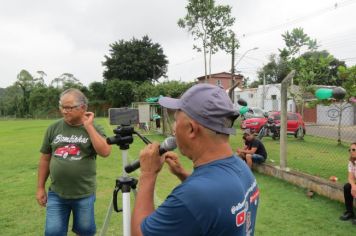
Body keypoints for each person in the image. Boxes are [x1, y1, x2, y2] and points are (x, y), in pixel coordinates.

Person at [131, 84, 259, 236]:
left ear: (191, 129)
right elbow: (217, 202)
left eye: (176, 120)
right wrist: (182, 174)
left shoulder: (192, 197)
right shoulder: (241, 167)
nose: (174, 128)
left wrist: (148, 174)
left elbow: (139, 233)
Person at [36, 88, 111, 236]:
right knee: (53, 232)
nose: (64, 111)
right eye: (62, 107)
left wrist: (88, 126)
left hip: (84, 194)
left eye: (69, 108)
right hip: (57, 194)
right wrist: (40, 188)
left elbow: (105, 152)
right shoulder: (54, 128)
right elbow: (45, 158)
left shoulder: (95, 127)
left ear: (83, 108)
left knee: (85, 231)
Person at [339, 142, 356, 223]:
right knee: (347, 186)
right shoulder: (351, 162)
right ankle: (350, 212)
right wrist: (353, 186)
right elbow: (350, 177)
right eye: (350, 150)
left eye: (354, 149)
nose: (351, 151)